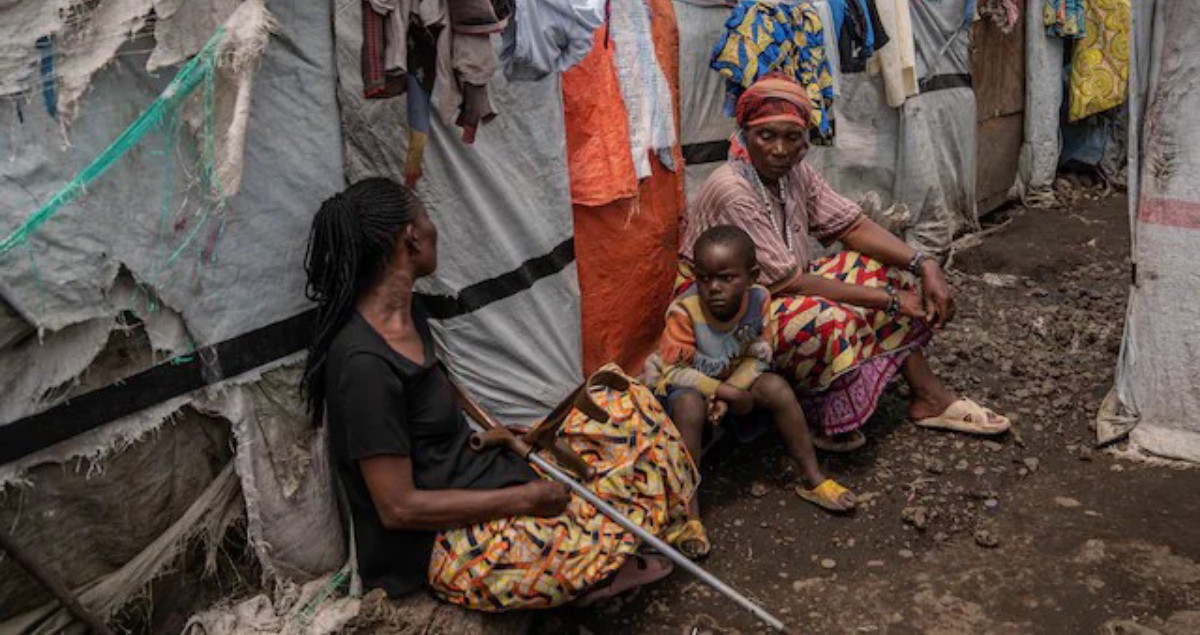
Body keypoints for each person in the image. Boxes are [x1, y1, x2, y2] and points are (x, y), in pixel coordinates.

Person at [302, 177, 697, 610]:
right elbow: (398, 508)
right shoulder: (363, 365)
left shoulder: (408, 312)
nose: (435, 228)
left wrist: (505, 433)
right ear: (411, 238)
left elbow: (432, 402)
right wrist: (524, 498)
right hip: (439, 542)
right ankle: (600, 573)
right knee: (575, 527)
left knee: (628, 406)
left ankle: (612, 553)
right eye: (427, 218)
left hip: (478, 477)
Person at [680, 73, 1009, 451]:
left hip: (774, 296)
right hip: (724, 321)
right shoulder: (733, 189)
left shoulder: (794, 174)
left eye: (792, 137)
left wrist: (925, 265)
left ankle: (928, 396)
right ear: (744, 134)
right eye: (766, 135)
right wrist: (891, 301)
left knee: (882, 271)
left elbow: (851, 225)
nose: (779, 149)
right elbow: (789, 282)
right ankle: (823, 413)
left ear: (806, 140)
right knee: (827, 320)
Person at [646, 225, 856, 558]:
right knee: (689, 407)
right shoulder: (685, 312)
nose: (714, 288)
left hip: (734, 381)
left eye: (726, 278)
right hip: (686, 388)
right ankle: (687, 514)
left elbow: (759, 355)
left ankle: (812, 478)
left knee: (776, 387)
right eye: (704, 278)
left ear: (752, 276)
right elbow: (673, 372)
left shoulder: (759, 299)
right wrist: (723, 392)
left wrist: (732, 391)